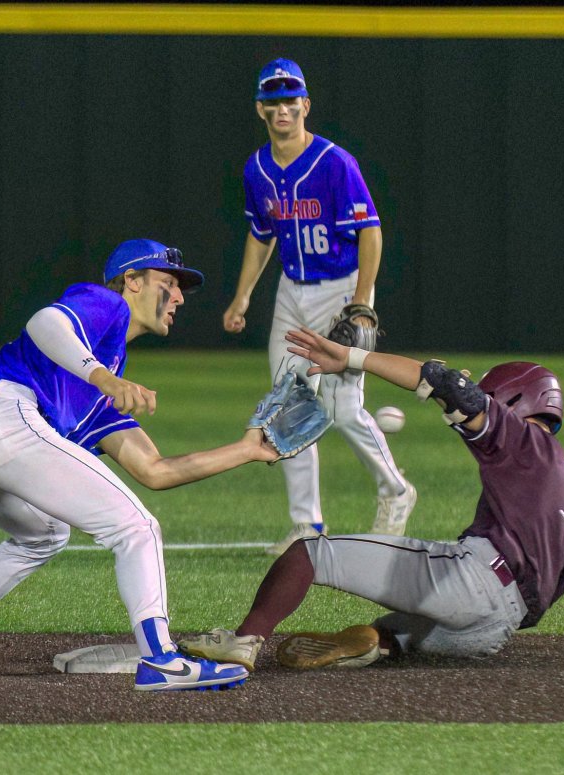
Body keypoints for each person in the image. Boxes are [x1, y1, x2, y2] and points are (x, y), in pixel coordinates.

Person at [179, 327, 564, 671]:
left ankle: (242, 642)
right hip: (494, 633)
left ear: (514, 401)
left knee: (307, 553)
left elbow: (442, 382)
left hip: (475, 581)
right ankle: (382, 640)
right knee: (400, 627)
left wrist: (353, 358)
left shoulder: (520, 440)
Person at [0, 239, 279, 692]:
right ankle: (161, 660)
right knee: (137, 528)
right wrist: (104, 377)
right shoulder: (107, 306)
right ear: (132, 281)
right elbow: (45, 322)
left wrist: (248, 450)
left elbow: (155, 470)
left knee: (43, 536)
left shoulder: (104, 388)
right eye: (168, 282)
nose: (178, 296)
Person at [223, 58, 416, 556]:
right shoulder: (256, 169)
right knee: (287, 404)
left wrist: (362, 302)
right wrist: (243, 294)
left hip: (340, 290)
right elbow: (261, 234)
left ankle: (396, 490)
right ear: (260, 109)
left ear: (305, 105)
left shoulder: (334, 163)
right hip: (292, 292)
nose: (282, 109)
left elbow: (370, 232)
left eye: (291, 100)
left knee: (342, 409)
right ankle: (306, 524)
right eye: (273, 101)